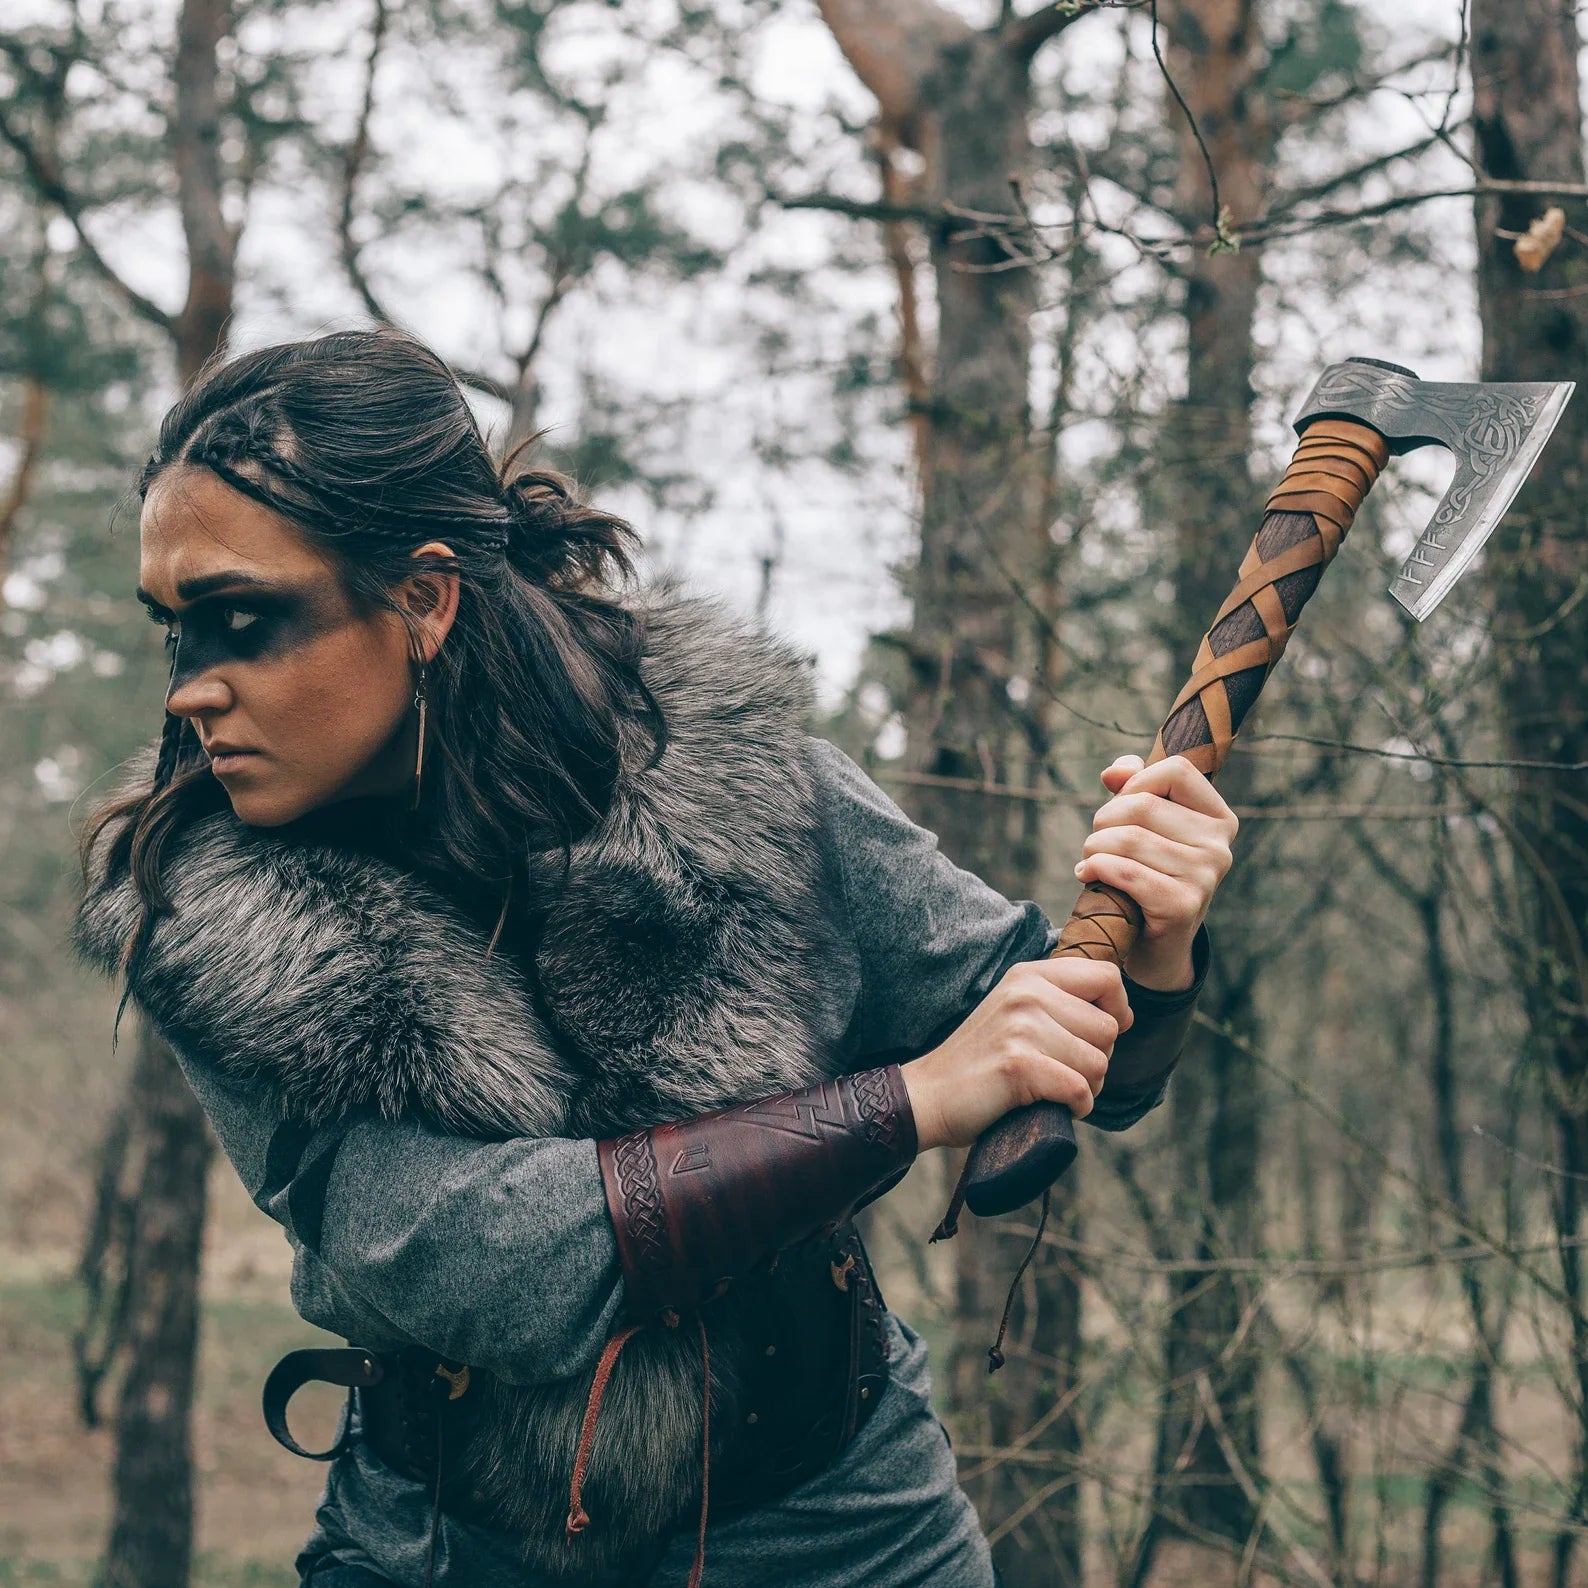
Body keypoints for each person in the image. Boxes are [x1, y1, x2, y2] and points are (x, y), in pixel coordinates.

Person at [74, 326, 1236, 1588]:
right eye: (172, 629)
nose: (189, 689)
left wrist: (1156, 948)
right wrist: (906, 1103)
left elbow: (1064, 1048)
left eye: (240, 620)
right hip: (445, 1550)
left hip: (844, 1530)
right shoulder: (202, 903)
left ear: (421, 596)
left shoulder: (723, 756)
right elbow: (459, 1257)